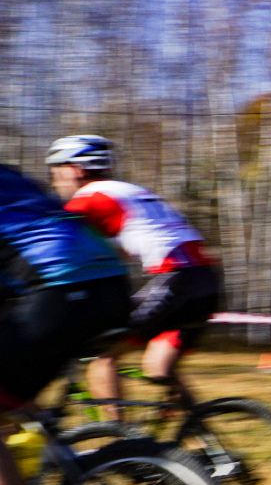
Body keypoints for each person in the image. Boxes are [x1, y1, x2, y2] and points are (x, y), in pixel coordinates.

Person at [0, 162, 133, 485]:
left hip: (60, 288)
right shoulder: (10, 175)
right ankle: (75, 484)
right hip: (111, 285)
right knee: (15, 396)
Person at [46, 135, 222, 417]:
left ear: (76, 169)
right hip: (207, 281)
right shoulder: (129, 191)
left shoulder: (89, 198)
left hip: (178, 280)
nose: (55, 182)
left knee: (102, 357)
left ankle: (120, 451)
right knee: (159, 367)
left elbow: (52, 248)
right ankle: (208, 450)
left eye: (56, 172)